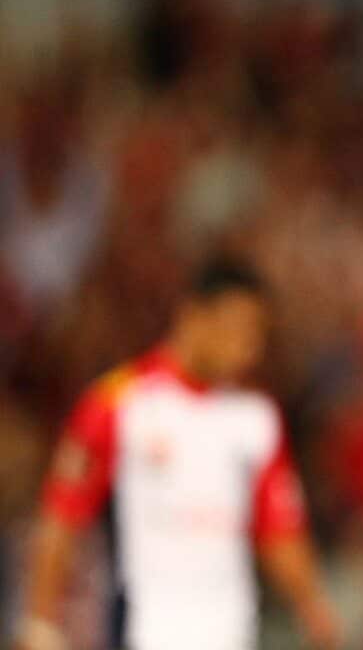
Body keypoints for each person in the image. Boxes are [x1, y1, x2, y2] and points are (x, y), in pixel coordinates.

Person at [17, 260, 339, 650]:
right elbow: (62, 514)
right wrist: (39, 621)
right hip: (145, 628)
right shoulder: (120, 402)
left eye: (257, 335)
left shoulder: (255, 418)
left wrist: (313, 608)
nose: (248, 349)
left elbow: (279, 528)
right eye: (236, 329)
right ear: (193, 317)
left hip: (231, 631)